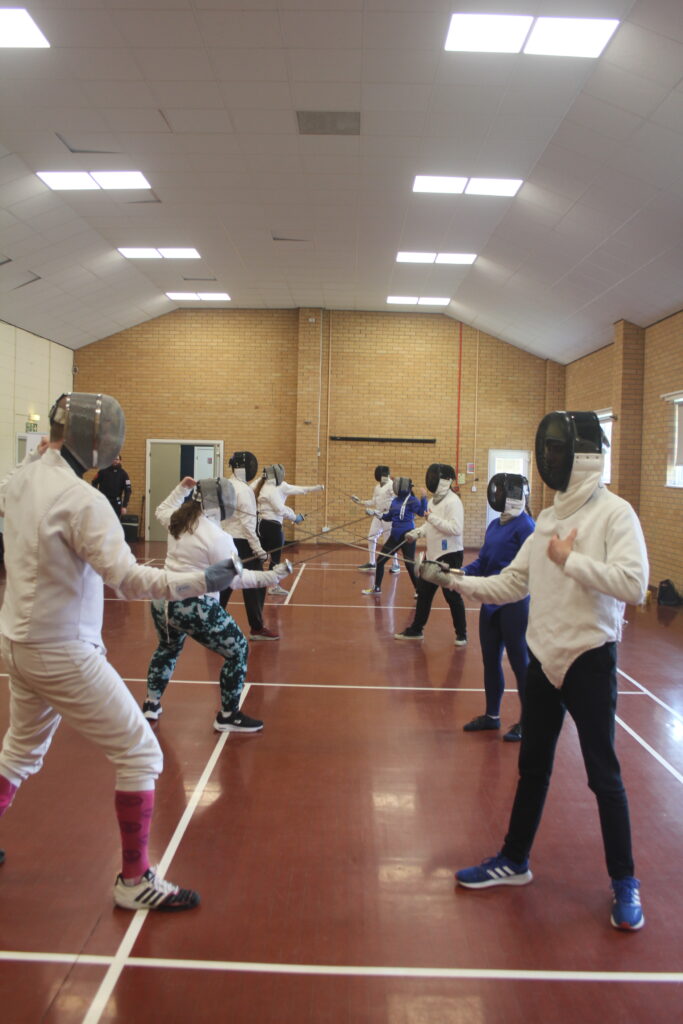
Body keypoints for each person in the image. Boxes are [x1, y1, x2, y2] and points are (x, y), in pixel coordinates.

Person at [0, 393, 242, 911]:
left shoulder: (20, 480)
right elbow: (129, 581)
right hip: (61, 650)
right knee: (140, 753)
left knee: (19, 752)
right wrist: (202, 580)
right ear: (95, 439)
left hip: (16, 645)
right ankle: (135, 881)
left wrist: (35, 455)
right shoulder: (83, 501)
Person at [418, 411, 648, 931]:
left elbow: (635, 585)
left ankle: (624, 880)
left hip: (589, 660)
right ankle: (514, 860)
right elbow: (510, 583)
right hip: (543, 659)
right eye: (545, 449)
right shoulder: (545, 520)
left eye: (556, 449)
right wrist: (452, 579)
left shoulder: (615, 513)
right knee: (533, 768)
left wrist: (571, 561)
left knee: (603, 775)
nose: (549, 458)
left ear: (582, 454)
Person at [143, 475, 290, 730]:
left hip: (162, 601)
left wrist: (182, 488)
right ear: (218, 504)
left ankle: (151, 704)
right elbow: (235, 580)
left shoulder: (177, 519)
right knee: (238, 650)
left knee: (167, 648)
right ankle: (228, 715)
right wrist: (272, 576)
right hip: (193, 606)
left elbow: (161, 509)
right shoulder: (217, 537)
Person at [459, 473, 535, 740]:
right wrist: (460, 572)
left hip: (515, 604)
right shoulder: (494, 525)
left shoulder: (527, 527)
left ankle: (529, 722)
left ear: (514, 494)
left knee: (520, 662)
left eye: (503, 492)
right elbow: (483, 562)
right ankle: (492, 716)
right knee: (490, 660)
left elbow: (532, 568)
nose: (498, 496)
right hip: (490, 601)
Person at [394, 463, 467, 646]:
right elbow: (430, 525)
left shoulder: (453, 502)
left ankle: (462, 634)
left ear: (447, 480)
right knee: (424, 593)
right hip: (433, 554)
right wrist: (416, 533)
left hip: (450, 554)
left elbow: (455, 529)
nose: (432, 480)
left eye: (436, 477)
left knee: (452, 596)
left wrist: (431, 518)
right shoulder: (433, 501)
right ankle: (416, 630)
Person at [219, 450, 278, 641]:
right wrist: (259, 551)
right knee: (256, 583)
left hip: (225, 541)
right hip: (242, 543)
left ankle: (213, 623)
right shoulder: (243, 491)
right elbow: (248, 526)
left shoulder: (226, 484)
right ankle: (257, 627)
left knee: (225, 584)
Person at [257, 464, 324, 597]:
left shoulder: (267, 486)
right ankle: (273, 586)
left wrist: (315, 488)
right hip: (272, 528)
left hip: (262, 526)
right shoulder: (271, 489)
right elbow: (279, 509)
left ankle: (257, 581)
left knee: (261, 556)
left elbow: (298, 489)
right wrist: (294, 517)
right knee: (274, 558)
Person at [361, 477, 427, 596]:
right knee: (380, 561)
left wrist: (424, 498)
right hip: (395, 536)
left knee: (409, 564)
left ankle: (420, 591)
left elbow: (422, 513)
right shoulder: (395, 501)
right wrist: (375, 513)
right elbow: (388, 517)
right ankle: (377, 588)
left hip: (408, 537)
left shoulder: (413, 500)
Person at [351, 465, 400, 576]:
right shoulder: (377, 487)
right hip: (377, 514)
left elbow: (397, 500)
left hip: (388, 515)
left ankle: (395, 564)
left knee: (389, 541)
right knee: (371, 537)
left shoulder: (391, 485)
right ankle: (372, 562)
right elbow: (373, 501)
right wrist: (360, 502)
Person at [91, 452, 131, 519]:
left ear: (120, 461)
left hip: (116, 503)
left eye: (117, 459)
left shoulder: (123, 474)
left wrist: (124, 506)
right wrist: (97, 496)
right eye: (113, 459)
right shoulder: (102, 471)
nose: (115, 461)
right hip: (103, 502)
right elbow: (94, 483)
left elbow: (128, 491)